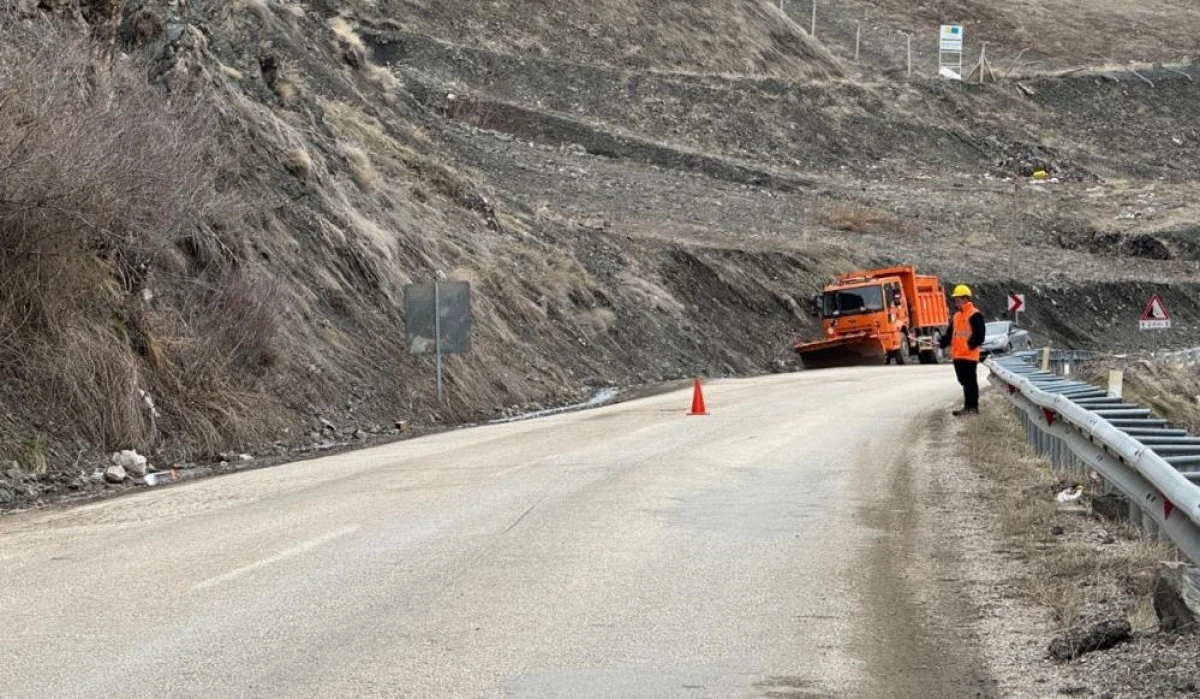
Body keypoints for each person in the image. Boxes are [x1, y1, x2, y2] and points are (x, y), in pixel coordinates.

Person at [939, 285, 986, 416]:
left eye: (957, 299)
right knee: (964, 381)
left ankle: (972, 408)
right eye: (955, 300)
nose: (955, 302)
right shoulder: (957, 316)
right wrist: (942, 343)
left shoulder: (974, 314)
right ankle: (968, 407)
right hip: (958, 355)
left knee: (970, 382)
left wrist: (969, 346)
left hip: (969, 356)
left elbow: (980, 335)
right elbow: (950, 334)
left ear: (965, 298)